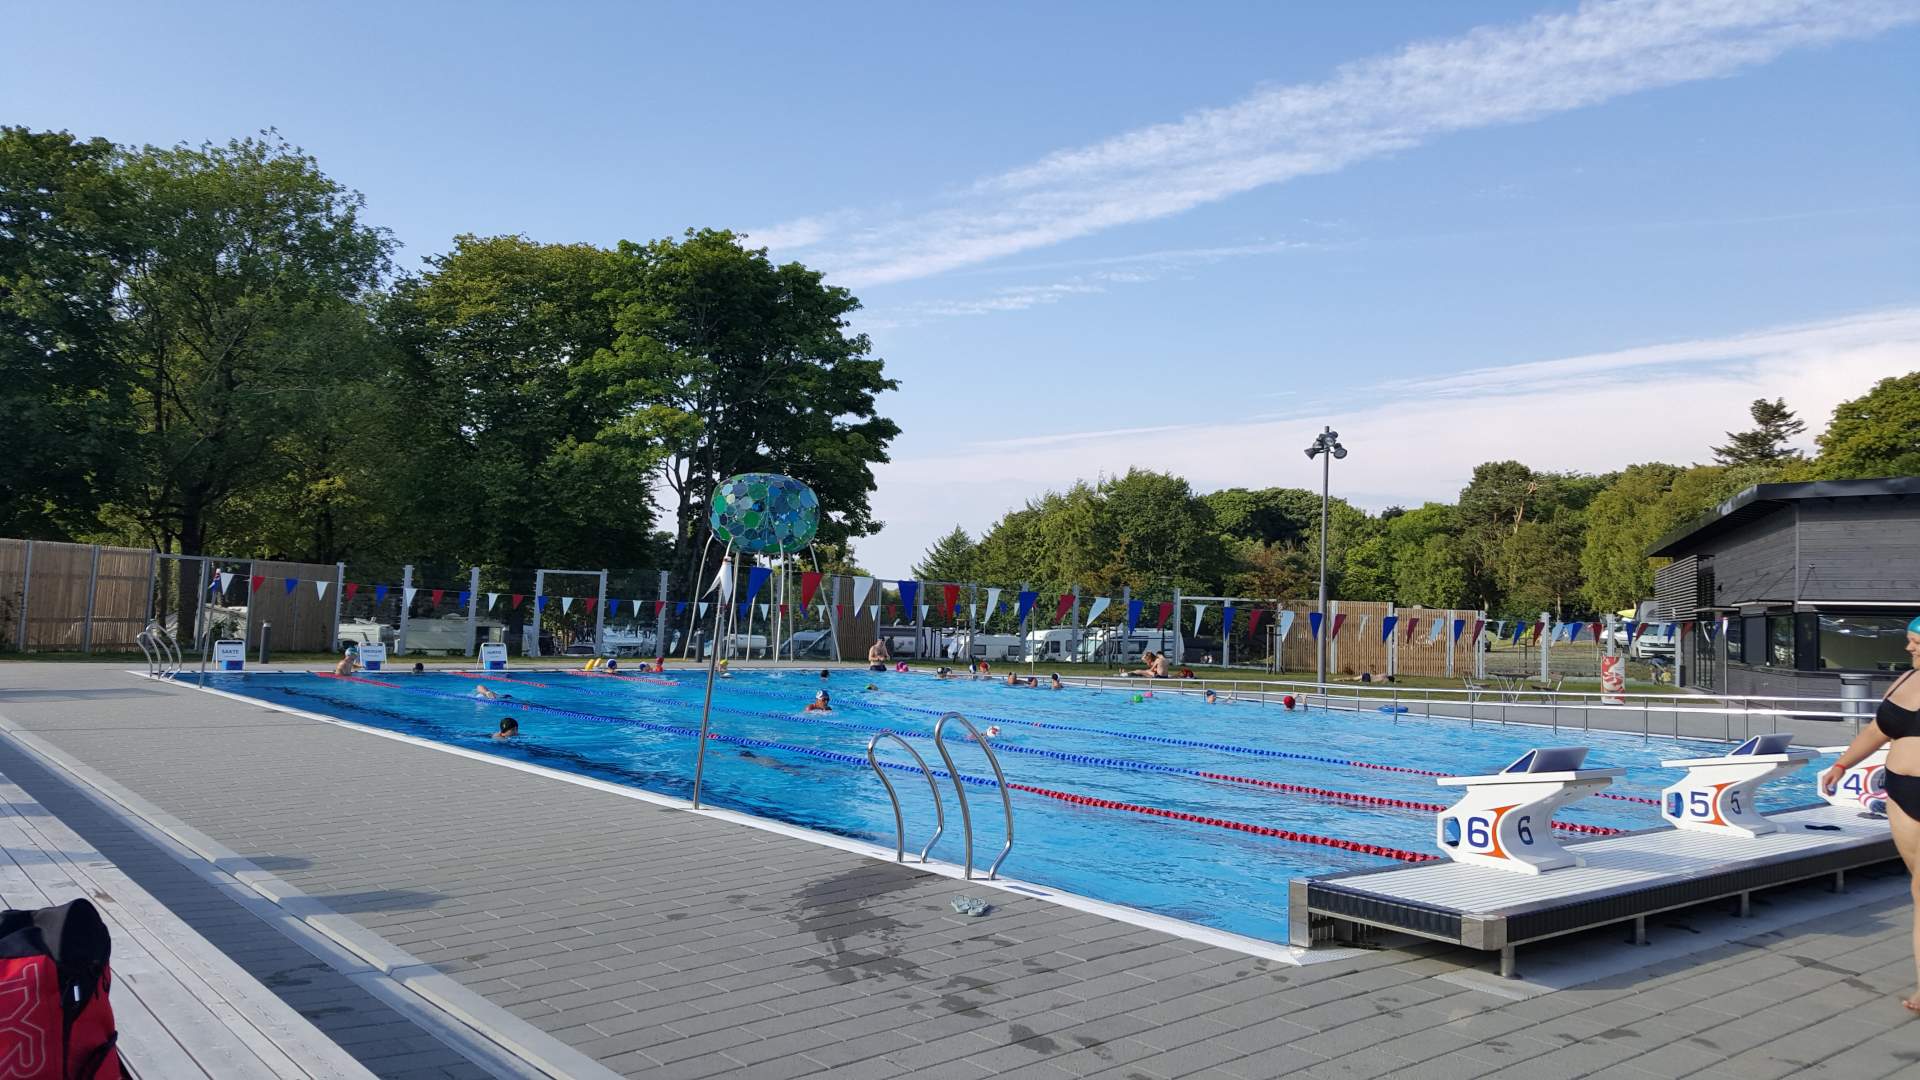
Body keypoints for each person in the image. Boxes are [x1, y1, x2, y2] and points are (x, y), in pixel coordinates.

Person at [1821, 619, 1920, 1012]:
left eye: (1916, 642)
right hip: (1901, 792)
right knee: (1918, 890)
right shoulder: (1905, 681)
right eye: (1910, 641)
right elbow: (1878, 730)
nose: (1909, 649)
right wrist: (1842, 765)